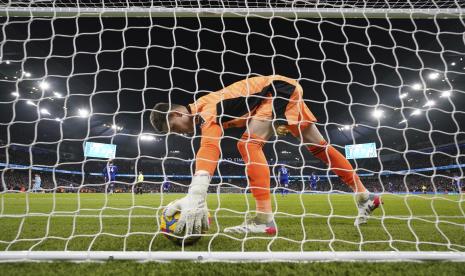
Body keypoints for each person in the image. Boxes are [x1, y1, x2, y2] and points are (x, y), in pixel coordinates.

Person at [150, 75, 381, 235]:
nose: (178, 134)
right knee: (319, 147)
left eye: (173, 128)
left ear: (176, 113)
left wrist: (196, 193)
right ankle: (365, 196)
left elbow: (210, 147)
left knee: (248, 145)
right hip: (280, 90)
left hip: (276, 91)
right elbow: (210, 144)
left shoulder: (205, 111)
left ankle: (264, 220)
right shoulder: (205, 108)